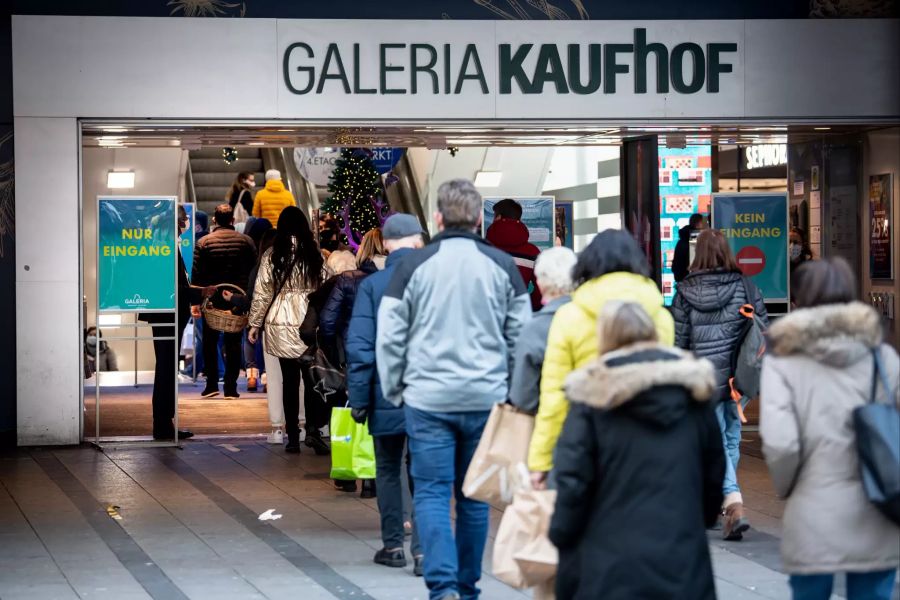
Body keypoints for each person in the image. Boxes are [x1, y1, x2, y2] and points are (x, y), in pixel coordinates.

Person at [377, 179, 531, 600]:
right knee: (474, 495)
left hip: (427, 399)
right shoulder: (502, 266)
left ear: (439, 219)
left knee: (429, 490)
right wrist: (514, 394)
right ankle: (467, 587)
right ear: (480, 218)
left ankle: (441, 586)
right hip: (485, 398)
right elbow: (521, 336)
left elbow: (390, 335)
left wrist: (394, 388)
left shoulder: (412, 267)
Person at [550, 301, 724, 600]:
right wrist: (703, 517)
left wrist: (561, 532)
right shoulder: (693, 396)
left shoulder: (592, 399)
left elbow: (572, 479)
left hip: (609, 561)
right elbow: (713, 470)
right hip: (682, 555)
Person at [760, 258, 899, 600]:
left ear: (800, 300)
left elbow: (781, 444)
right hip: (877, 510)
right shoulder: (883, 357)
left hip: (813, 513)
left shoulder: (783, 361)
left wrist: (787, 488)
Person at [527, 229, 674, 488]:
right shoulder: (660, 317)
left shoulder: (569, 316)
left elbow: (554, 396)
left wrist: (540, 460)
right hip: (646, 439)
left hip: (585, 440)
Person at [671, 228, 768, 540]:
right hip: (739, 379)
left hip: (703, 380)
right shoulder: (746, 287)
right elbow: (762, 329)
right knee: (729, 440)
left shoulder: (685, 290)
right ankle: (726, 503)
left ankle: (729, 502)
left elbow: (680, 340)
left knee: (714, 443)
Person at [346, 214, 426, 575]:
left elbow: (360, 348)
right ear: (419, 242)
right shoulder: (438, 283)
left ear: (387, 244)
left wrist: (360, 400)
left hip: (385, 393)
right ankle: (425, 551)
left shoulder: (373, 286)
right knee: (425, 473)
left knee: (389, 470)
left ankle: (393, 546)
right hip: (431, 396)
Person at [248, 206, 324, 453]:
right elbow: (325, 286)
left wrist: (255, 323)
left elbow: (262, 293)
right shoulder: (314, 253)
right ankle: (312, 430)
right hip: (309, 323)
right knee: (312, 380)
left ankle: (292, 437)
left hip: (279, 321)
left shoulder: (273, 254)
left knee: (288, 382)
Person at [191, 204, 257, 399]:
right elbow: (254, 272)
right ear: (232, 221)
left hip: (211, 300)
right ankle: (230, 387)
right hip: (237, 299)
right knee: (234, 343)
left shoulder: (203, 242)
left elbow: (197, 275)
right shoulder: (246, 241)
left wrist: (195, 301)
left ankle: (211, 385)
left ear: (214, 220)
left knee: (210, 342)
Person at [299, 249, 358, 461]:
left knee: (324, 393)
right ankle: (357, 459)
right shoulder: (367, 285)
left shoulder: (322, 292)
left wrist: (320, 342)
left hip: (331, 359)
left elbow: (306, 330)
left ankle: (315, 430)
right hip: (358, 355)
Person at [141, 205, 194, 440]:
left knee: (167, 367)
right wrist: (198, 292)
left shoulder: (164, 245)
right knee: (166, 368)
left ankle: (165, 423)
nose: (185, 225)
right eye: (183, 220)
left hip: (167, 314)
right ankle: (162, 425)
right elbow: (170, 286)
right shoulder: (163, 248)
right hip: (167, 315)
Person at [508, 246, 577, 414]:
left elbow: (522, 397)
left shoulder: (533, 329)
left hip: (548, 424)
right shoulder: (596, 319)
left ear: (539, 283)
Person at [485, 198, 542, 311]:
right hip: (518, 315)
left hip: (488, 315)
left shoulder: (484, 249)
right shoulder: (532, 251)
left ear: (498, 217)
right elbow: (540, 289)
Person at [242, 218, 273, 392]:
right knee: (268, 342)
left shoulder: (254, 256)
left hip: (254, 304)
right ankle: (268, 377)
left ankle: (252, 376)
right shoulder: (278, 258)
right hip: (275, 309)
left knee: (249, 337)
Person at [672, 212, 707, 283]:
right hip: (692, 282)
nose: (706, 226)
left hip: (684, 281)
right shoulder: (694, 239)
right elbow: (695, 266)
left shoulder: (683, 240)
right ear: (698, 225)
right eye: (704, 224)